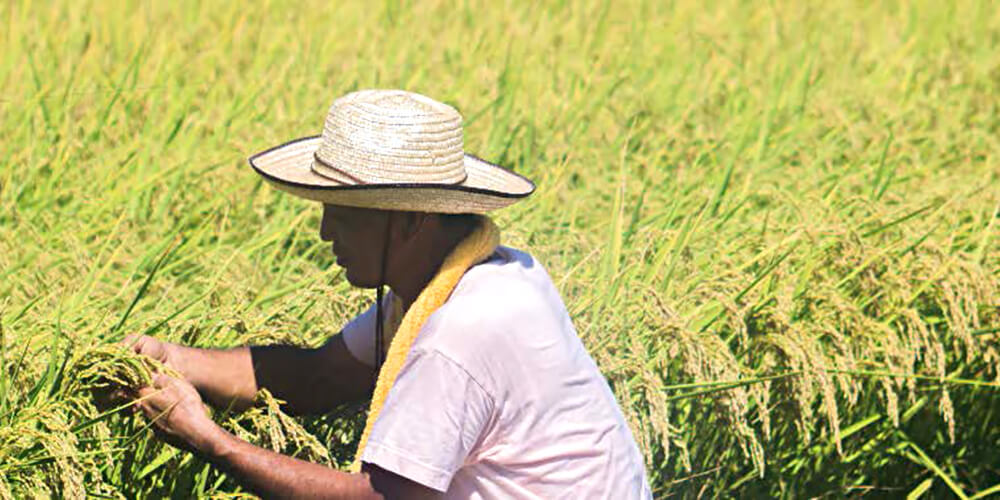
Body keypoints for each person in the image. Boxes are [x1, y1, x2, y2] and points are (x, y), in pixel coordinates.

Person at [122, 89, 652, 498]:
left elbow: (381, 498)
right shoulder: (460, 282)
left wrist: (205, 437)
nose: (326, 232)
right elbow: (320, 375)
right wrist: (174, 361)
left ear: (411, 222)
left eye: (344, 216)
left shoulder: (464, 330)